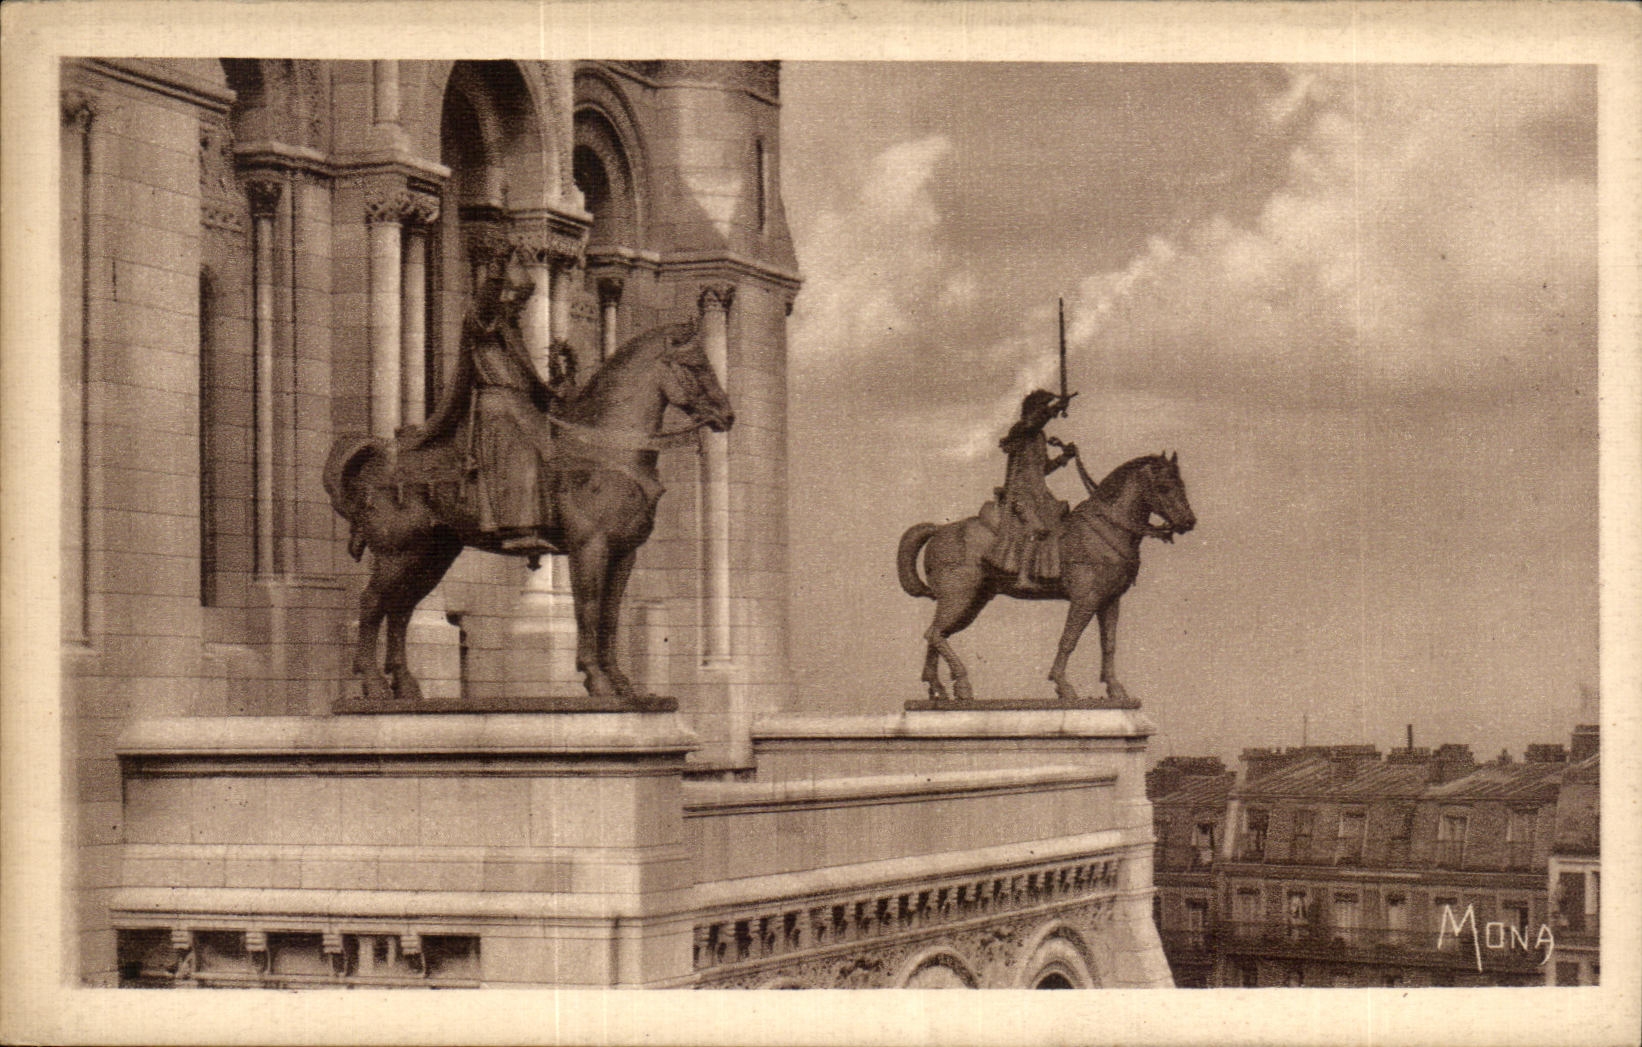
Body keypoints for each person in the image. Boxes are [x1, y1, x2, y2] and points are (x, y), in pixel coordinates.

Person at [411, 267, 577, 552]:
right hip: (496, 407)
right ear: (501, 298)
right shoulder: (483, 323)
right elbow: (484, 304)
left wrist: (560, 383)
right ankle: (518, 527)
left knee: (558, 445)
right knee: (523, 446)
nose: (519, 309)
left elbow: (530, 383)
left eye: (523, 303)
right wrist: (497, 270)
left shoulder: (512, 334)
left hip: (520, 406)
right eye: (515, 301)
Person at [988, 389, 1078, 586]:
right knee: (1037, 529)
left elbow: (1044, 468)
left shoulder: (1039, 436)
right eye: (1042, 407)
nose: (1045, 411)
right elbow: (1031, 424)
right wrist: (1055, 408)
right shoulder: (1020, 430)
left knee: (1059, 529)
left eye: (1046, 407)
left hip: (1039, 493)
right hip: (1020, 493)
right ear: (1033, 410)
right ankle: (1022, 578)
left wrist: (1065, 457)